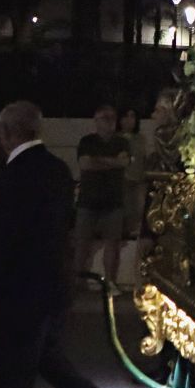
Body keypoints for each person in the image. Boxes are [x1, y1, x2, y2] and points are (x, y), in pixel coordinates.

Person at [0, 101, 114, 388]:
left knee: (13, 374)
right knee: (42, 354)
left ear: (6, 133)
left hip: (17, 292)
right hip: (54, 283)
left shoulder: (10, 179)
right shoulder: (58, 170)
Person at [73, 104, 129, 291]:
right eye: (105, 118)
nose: (110, 121)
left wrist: (97, 160)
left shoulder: (121, 142)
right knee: (82, 243)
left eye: (112, 118)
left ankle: (110, 283)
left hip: (113, 200)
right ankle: (77, 282)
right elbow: (85, 164)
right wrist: (112, 162)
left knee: (112, 244)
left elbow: (123, 162)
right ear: (96, 121)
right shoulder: (87, 141)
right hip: (88, 200)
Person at [118, 108, 148, 238]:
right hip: (122, 181)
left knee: (138, 211)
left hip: (139, 181)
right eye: (126, 116)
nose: (129, 120)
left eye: (132, 116)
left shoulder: (140, 138)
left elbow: (143, 158)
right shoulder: (116, 138)